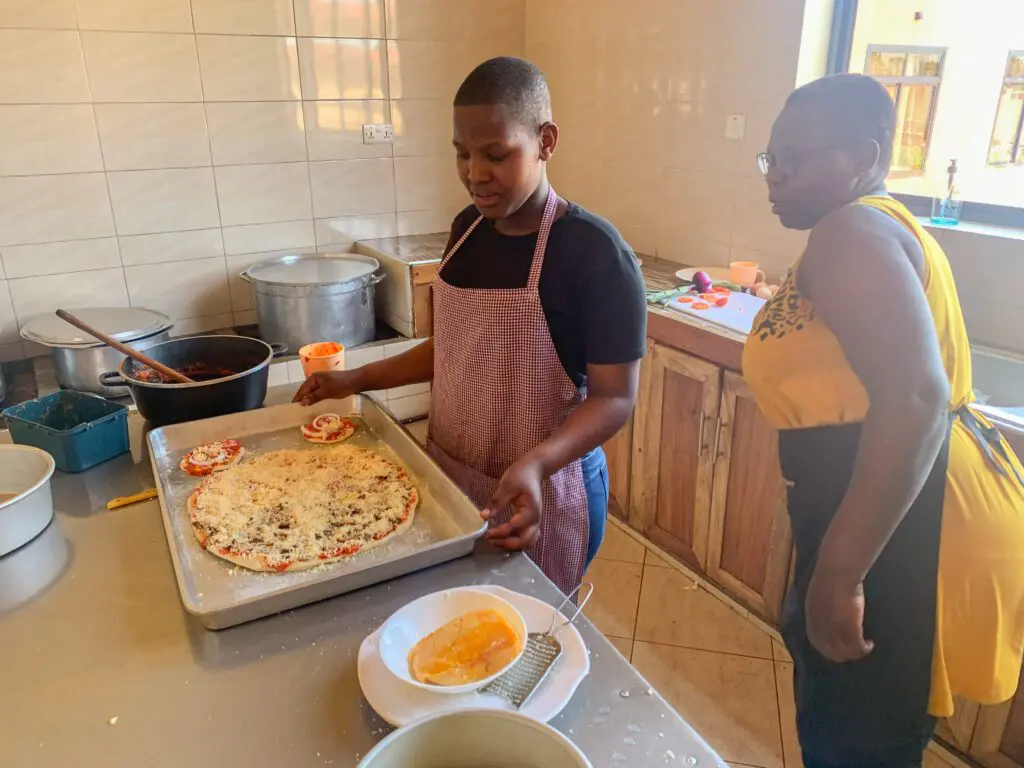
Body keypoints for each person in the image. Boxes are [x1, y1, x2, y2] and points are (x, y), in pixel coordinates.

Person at [743, 72, 1024, 767]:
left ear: (866, 158)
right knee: (873, 730)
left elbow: (915, 398)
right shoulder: (868, 226)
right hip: (894, 511)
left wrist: (838, 576)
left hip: (898, 527)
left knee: (856, 738)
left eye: (795, 158)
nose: (775, 177)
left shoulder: (849, 232)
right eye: (770, 159)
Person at [295, 56, 647, 595]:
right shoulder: (467, 230)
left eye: (496, 154)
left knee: (527, 638)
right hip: (454, 471)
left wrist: (535, 462)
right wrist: (354, 379)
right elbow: (453, 349)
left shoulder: (594, 253)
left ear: (546, 141)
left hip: (542, 487)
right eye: (462, 153)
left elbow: (614, 398)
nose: (474, 173)